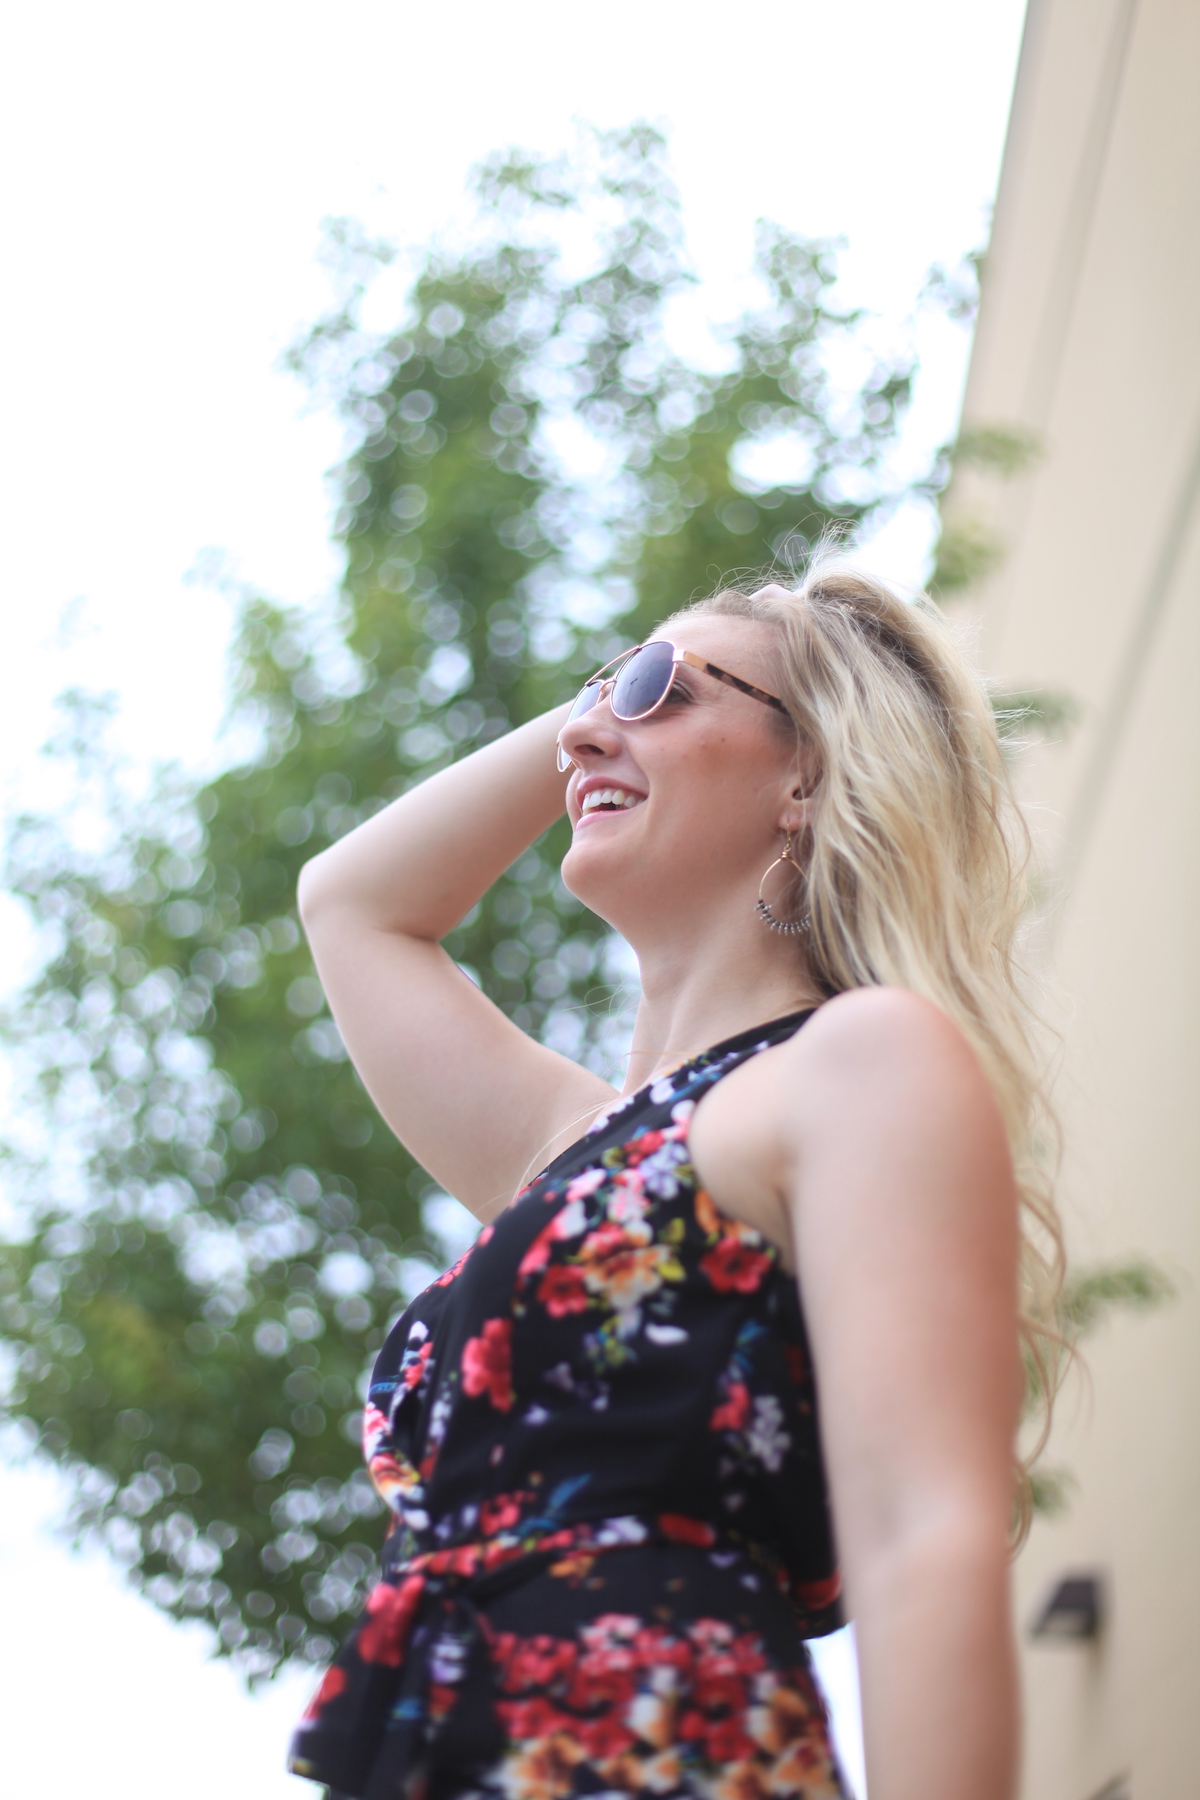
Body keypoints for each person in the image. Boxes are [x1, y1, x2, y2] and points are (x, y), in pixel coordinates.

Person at [287, 566, 1059, 1800]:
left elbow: (927, 1542)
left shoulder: (859, 1061)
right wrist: (604, 712)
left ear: (806, 775)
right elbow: (352, 902)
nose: (590, 725)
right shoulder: (567, 1152)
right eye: (599, 693)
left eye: (659, 690)